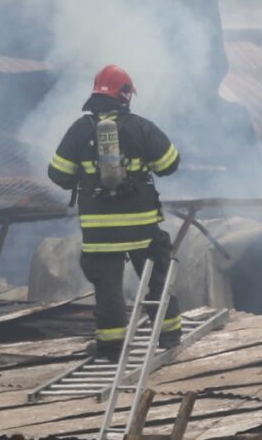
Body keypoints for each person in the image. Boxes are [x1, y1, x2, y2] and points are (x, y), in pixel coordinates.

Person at [47, 64, 182, 361]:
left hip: (99, 232)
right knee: (157, 276)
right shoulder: (141, 126)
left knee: (107, 288)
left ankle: (111, 347)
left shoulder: (79, 130)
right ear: (124, 95)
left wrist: (84, 173)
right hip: (142, 227)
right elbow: (170, 165)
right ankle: (169, 335)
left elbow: (57, 174)